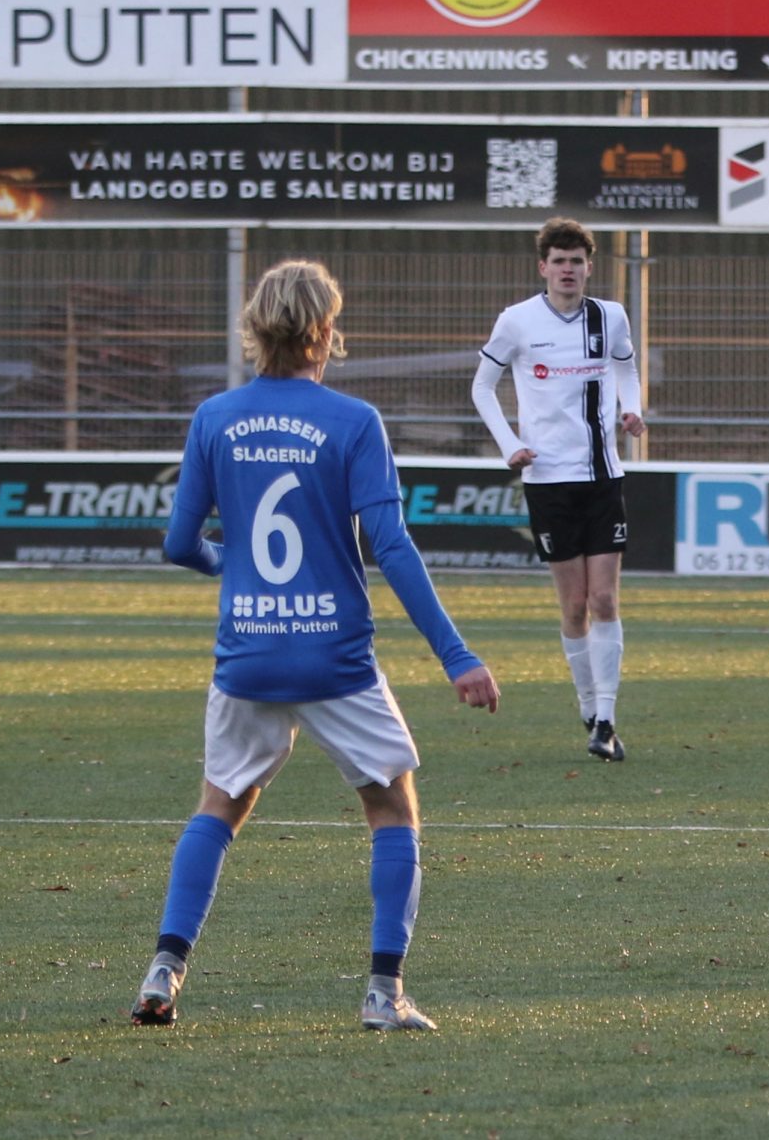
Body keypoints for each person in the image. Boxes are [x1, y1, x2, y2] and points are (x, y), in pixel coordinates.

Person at [132, 260, 501, 1032]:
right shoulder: (353, 421)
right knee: (391, 805)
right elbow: (391, 546)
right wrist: (456, 656)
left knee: (221, 803)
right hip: (334, 656)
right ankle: (383, 993)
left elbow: (178, 543)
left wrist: (227, 564)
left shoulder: (215, 417)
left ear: (255, 330)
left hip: (248, 652)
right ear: (325, 332)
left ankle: (165, 968)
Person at [473, 218, 644, 761]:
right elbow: (482, 386)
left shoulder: (609, 316)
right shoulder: (517, 321)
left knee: (604, 598)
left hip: (602, 476)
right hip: (548, 481)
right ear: (543, 267)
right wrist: (510, 444)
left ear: (589, 267)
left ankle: (607, 720)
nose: (568, 270)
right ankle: (589, 707)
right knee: (573, 606)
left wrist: (632, 409)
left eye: (577, 261)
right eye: (559, 261)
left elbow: (627, 369)